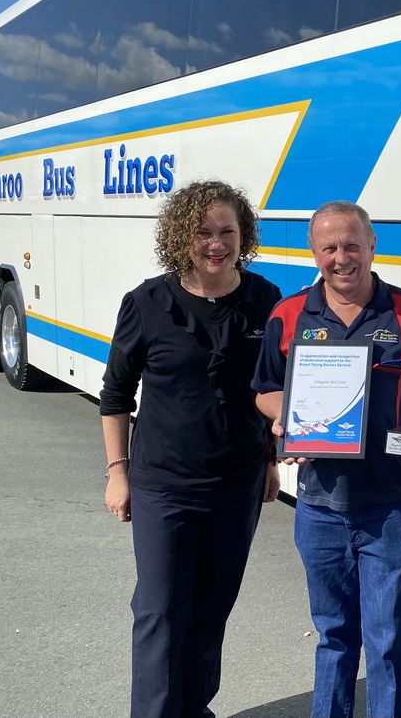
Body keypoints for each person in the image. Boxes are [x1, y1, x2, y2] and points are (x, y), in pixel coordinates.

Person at [100, 180, 282, 718]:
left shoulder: (265, 300)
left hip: (236, 482)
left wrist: (270, 462)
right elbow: (115, 394)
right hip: (164, 484)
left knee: (211, 607)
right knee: (159, 610)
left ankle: (192, 707)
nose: (216, 244)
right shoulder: (147, 303)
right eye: (203, 232)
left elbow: (272, 386)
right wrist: (117, 471)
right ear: (181, 236)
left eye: (228, 231)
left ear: (244, 236)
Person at [253, 200, 401, 718]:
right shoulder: (289, 314)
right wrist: (288, 415)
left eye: (352, 245)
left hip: (391, 504)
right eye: (329, 247)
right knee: (334, 635)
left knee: (389, 637)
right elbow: (265, 389)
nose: (341, 258)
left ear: (372, 246)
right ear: (314, 252)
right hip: (319, 506)